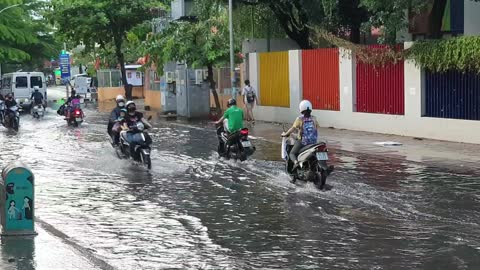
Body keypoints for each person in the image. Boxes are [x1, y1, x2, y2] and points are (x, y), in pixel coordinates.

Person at [281, 100, 320, 171]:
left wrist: (286, 134)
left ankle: (296, 163)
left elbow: (292, 128)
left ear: (301, 109)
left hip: (303, 142)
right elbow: (316, 129)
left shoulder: (300, 119)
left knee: (292, 153)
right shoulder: (314, 118)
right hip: (313, 142)